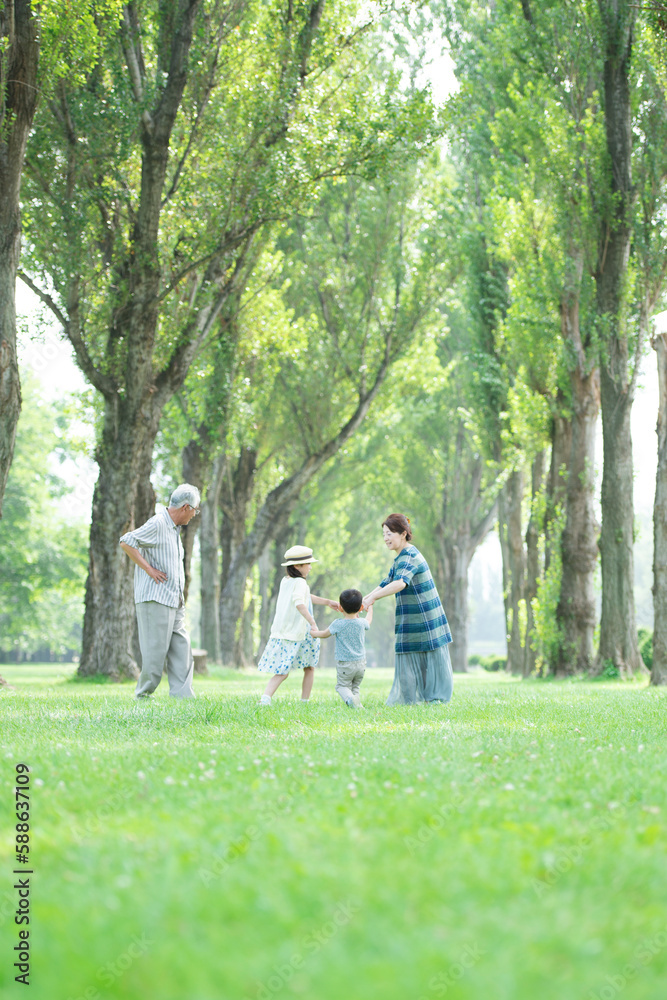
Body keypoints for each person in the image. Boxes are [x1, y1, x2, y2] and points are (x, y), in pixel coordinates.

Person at [119, 484, 200, 698]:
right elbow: (127, 541)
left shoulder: (174, 529)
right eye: (195, 510)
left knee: (182, 648)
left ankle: (183, 696)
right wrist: (149, 569)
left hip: (174, 599)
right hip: (155, 599)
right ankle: (143, 695)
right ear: (185, 507)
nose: (194, 515)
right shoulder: (158, 523)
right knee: (155, 654)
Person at [363, 513, 453, 705]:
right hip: (412, 618)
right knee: (410, 656)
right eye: (384, 534)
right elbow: (386, 582)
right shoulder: (400, 558)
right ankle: (413, 700)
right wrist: (366, 598)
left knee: (428, 658)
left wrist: (373, 597)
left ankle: (433, 699)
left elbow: (399, 583)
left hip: (425, 617)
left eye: (390, 533)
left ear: (403, 533)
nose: (386, 538)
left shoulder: (410, 555)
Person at [257, 545, 341, 706]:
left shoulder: (287, 581)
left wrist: (327, 602)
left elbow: (305, 596)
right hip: (296, 631)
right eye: (307, 564)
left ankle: (304, 702)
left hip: (296, 631)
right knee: (283, 671)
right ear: (297, 566)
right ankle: (265, 699)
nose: (310, 567)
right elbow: (299, 603)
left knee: (309, 666)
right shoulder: (299, 582)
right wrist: (312, 622)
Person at [311, 588, 373, 708]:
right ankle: (357, 706)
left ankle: (350, 700)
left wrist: (314, 633)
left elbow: (324, 634)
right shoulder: (361, 623)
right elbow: (369, 620)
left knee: (342, 686)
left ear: (340, 608)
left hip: (345, 664)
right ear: (360, 608)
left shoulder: (338, 624)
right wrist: (370, 609)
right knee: (355, 687)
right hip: (361, 663)